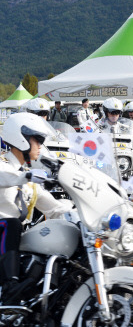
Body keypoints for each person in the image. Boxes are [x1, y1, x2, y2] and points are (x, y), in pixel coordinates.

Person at [0, 113, 70, 305]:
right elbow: (6, 176)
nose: (40, 146)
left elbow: (54, 208)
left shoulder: (28, 178)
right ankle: (9, 286)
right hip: (5, 232)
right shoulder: (6, 168)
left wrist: (78, 214)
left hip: (12, 245)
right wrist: (28, 176)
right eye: (37, 140)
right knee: (12, 224)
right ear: (20, 139)